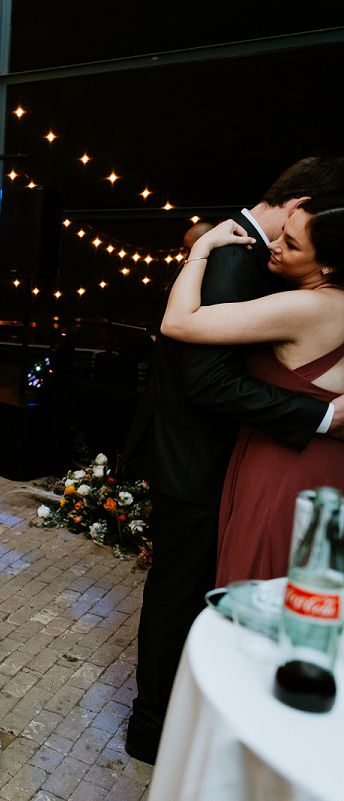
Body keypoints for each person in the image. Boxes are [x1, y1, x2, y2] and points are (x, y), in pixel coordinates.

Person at [121, 156, 344, 764]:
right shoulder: (229, 255)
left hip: (243, 461)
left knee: (212, 593)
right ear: (300, 207)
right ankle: (152, 727)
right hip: (195, 460)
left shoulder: (259, 259)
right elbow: (209, 384)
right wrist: (322, 417)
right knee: (177, 593)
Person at [160, 203, 344, 584]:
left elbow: (177, 322)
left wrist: (201, 248)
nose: (273, 245)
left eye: (291, 245)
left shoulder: (307, 306)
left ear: (328, 265)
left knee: (263, 585)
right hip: (319, 462)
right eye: (281, 233)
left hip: (286, 469)